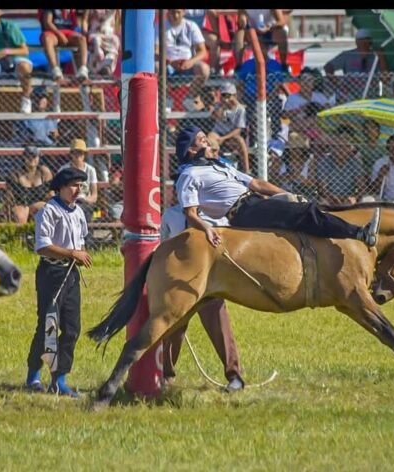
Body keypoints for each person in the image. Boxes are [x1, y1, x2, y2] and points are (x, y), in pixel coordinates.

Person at [173, 125, 381, 249]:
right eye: (202, 141)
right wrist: (206, 228)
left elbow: (257, 184)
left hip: (255, 202)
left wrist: (286, 194)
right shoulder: (189, 175)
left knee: (305, 204)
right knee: (306, 212)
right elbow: (190, 212)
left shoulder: (220, 166)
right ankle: (360, 234)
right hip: (243, 212)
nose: (208, 143)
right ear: (192, 149)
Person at [161, 186, 245, 393]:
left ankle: (234, 376)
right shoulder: (170, 215)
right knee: (172, 330)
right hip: (180, 283)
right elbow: (162, 245)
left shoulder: (216, 218)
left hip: (210, 282)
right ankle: (165, 375)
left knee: (220, 327)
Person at [25, 167, 92, 398]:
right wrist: (72, 253)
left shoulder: (79, 212)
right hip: (51, 273)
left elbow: (80, 240)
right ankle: (34, 374)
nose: (77, 190)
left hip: (70, 275)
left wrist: (80, 254)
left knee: (72, 328)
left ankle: (59, 379)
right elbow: (42, 246)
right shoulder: (49, 211)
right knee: (48, 325)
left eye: (80, 186)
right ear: (61, 187)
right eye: (73, 185)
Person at [160, 9, 210, 111]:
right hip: (168, 65)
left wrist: (191, 62)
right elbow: (155, 51)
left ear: (184, 12)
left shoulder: (191, 25)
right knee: (156, 66)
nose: (176, 15)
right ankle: (166, 99)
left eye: (178, 12)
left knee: (204, 69)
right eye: (173, 12)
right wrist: (169, 62)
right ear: (168, 12)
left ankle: (190, 98)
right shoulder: (161, 26)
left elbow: (203, 51)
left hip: (187, 64)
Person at [314, 126, 364, 205]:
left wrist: (355, 198)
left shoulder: (355, 162)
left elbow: (361, 186)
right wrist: (330, 197)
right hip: (330, 197)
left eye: (345, 147)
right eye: (338, 147)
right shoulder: (325, 161)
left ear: (350, 149)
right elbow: (322, 188)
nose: (341, 150)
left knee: (366, 200)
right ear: (333, 148)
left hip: (349, 197)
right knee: (324, 203)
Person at [208, 82, 249, 173]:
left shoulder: (240, 109)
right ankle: (215, 166)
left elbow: (238, 130)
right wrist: (222, 107)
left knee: (240, 141)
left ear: (234, 95)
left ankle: (247, 171)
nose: (225, 98)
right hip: (218, 133)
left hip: (231, 135)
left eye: (228, 95)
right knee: (210, 138)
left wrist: (224, 138)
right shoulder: (219, 106)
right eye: (223, 95)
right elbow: (214, 116)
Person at [7, 145, 53, 224]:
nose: (31, 159)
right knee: (20, 216)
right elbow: (9, 197)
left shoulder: (44, 172)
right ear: (24, 158)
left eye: (34, 156)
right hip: (21, 204)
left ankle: (43, 235)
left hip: (39, 203)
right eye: (29, 156)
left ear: (38, 158)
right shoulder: (16, 174)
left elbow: (51, 193)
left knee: (45, 209)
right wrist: (11, 208)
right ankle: (20, 236)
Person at [40, 9, 89, 81]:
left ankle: (83, 69)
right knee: (47, 39)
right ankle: (55, 69)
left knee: (82, 39)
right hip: (53, 31)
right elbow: (48, 23)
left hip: (69, 32)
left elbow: (83, 19)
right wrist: (59, 34)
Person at [58, 139, 98, 222]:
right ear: (71, 154)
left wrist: (86, 199)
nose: (77, 155)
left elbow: (94, 196)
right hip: (68, 201)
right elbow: (59, 192)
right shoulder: (64, 170)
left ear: (84, 155)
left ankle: (85, 234)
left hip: (85, 202)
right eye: (74, 152)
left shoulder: (90, 170)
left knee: (84, 210)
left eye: (80, 152)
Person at [86, 9, 120, 77]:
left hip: (109, 34)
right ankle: (93, 70)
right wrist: (85, 33)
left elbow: (118, 20)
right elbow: (85, 20)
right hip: (94, 33)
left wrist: (116, 31)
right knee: (96, 42)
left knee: (115, 41)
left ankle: (106, 68)